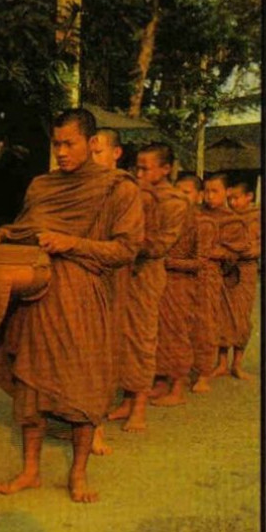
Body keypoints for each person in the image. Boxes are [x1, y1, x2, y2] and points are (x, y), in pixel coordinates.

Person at [0, 108, 142, 503]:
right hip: (37, 296)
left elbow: (127, 248)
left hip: (84, 297)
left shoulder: (118, 188)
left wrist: (73, 243)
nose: (61, 152)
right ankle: (30, 470)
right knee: (31, 384)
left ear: (92, 143)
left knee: (82, 387)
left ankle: (77, 475)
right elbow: (22, 228)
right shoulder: (42, 186)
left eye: (70, 144)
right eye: (56, 144)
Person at [107, 142, 188, 431]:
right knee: (121, 338)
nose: (139, 173)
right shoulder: (134, 193)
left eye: (145, 168)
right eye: (136, 168)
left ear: (165, 170)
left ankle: (139, 407)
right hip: (124, 272)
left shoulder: (175, 201)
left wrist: (125, 242)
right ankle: (127, 399)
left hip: (146, 275)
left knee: (141, 339)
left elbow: (159, 245)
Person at [192, 172, 250, 391]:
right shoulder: (196, 214)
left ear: (226, 192)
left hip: (213, 277)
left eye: (214, 191)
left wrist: (217, 253)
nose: (209, 196)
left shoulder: (233, 220)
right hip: (191, 275)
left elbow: (239, 248)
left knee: (207, 325)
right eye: (206, 191)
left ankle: (204, 374)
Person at [150, 164, 202, 408]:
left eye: (187, 192)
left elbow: (200, 262)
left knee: (177, 334)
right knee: (159, 333)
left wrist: (169, 262)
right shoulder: (169, 217)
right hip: (161, 284)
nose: (181, 197)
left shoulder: (199, 223)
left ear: (197, 196)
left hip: (182, 286)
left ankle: (178, 387)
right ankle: (161, 382)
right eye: (177, 191)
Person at [87, 128, 125, 455]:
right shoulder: (78, 188)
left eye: (97, 152)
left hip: (114, 280)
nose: (92, 159)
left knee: (102, 355)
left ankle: (96, 426)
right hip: (78, 279)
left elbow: (128, 244)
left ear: (116, 154)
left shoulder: (123, 191)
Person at [217, 175, 262, 379]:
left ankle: (237, 363)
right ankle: (221, 363)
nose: (232, 203)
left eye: (236, 198)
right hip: (226, 270)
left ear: (249, 197)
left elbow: (260, 246)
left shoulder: (258, 217)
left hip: (246, 271)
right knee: (224, 316)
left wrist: (248, 251)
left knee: (241, 318)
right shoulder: (225, 217)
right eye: (230, 199)